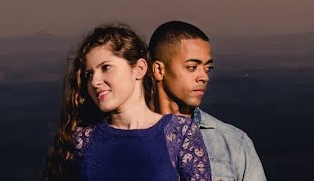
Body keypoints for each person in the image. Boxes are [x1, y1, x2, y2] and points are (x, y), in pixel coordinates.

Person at [42, 23, 211, 181]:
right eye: (89, 74)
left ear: (139, 69)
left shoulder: (180, 133)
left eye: (106, 67)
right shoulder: (82, 140)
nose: (94, 81)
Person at [149, 21, 267, 181]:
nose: (204, 77)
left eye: (207, 68)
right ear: (159, 70)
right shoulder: (123, 137)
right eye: (192, 67)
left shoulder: (234, 144)